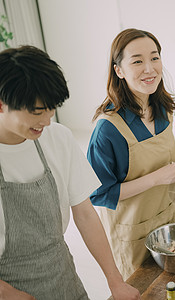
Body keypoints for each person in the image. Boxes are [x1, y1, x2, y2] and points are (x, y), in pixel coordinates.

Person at [0, 46, 140, 299]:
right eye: (36, 111)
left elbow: (85, 213)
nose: (46, 120)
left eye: (51, 108)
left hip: (63, 277)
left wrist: (115, 281)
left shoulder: (58, 138)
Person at [87, 28, 175, 279]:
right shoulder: (108, 129)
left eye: (155, 58)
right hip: (132, 235)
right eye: (137, 61)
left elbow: (158, 155)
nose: (149, 68)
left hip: (166, 220)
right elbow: (100, 193)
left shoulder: (162, 108)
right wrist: (158, 177)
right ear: (119, 71)